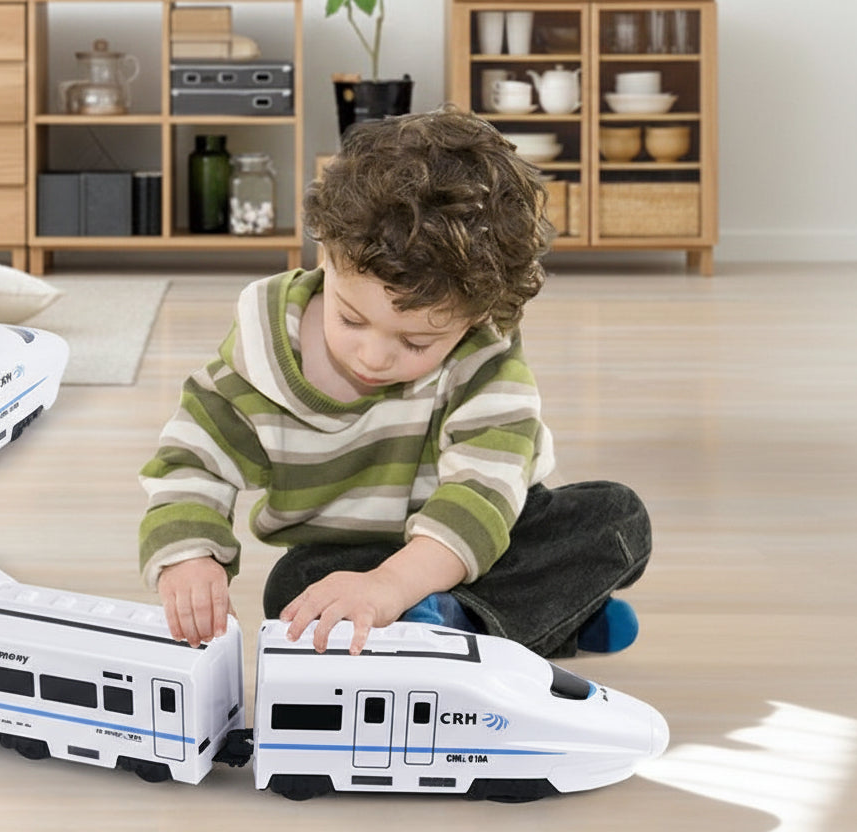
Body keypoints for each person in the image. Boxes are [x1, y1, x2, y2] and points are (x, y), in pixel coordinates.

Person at [139, 107, 650, 658]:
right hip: (354, 555)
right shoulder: (259, 356)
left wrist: (394, 586)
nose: (374, 356)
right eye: (351, 319)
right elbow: (192, 461)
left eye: (415, 342)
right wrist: (188, 555)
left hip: (485, 530)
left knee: (618, 518)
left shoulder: (485, 357)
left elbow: (482, 493)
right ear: (327, 254)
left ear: (475, 317)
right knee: (294, 587)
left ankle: (453, 621)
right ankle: (540, 616)